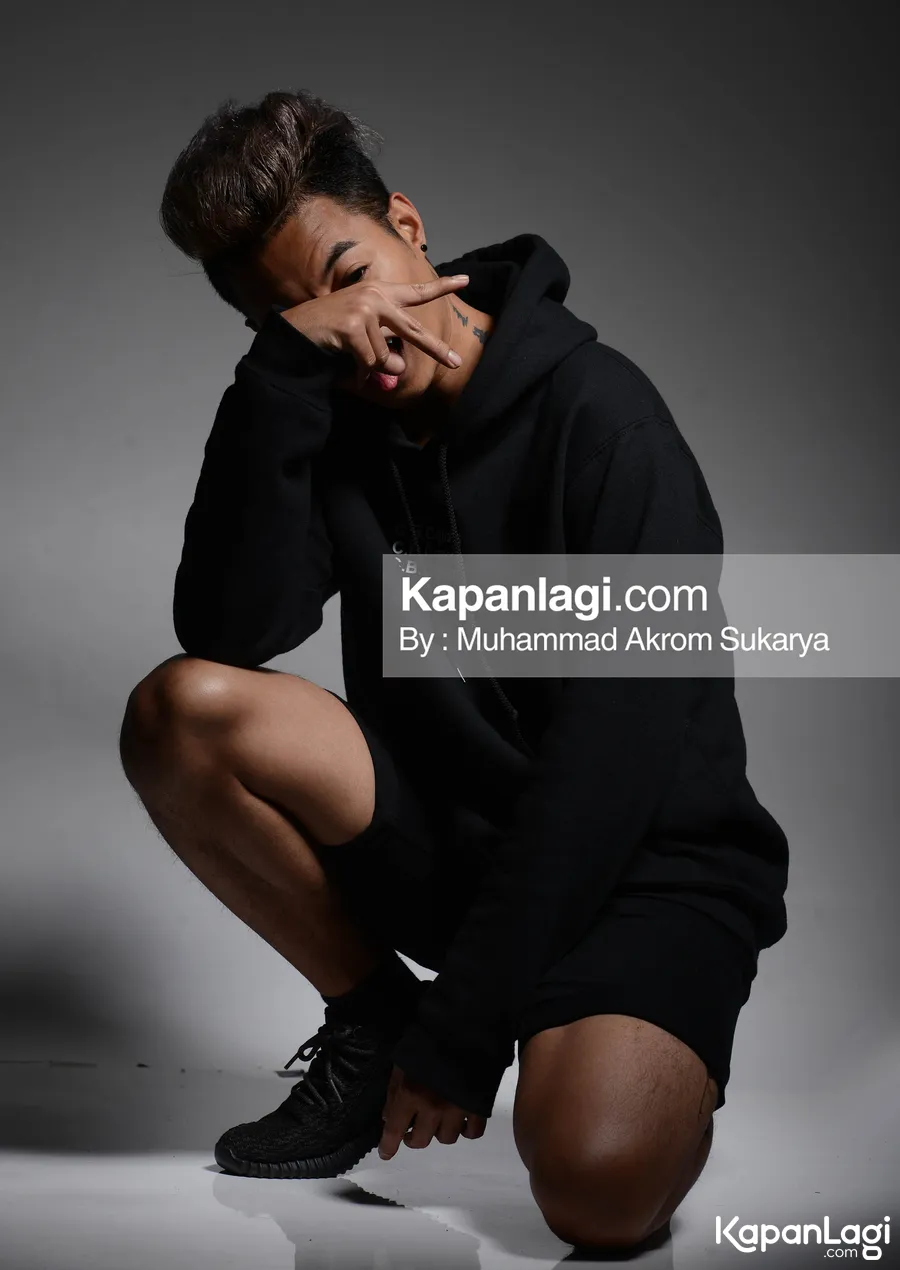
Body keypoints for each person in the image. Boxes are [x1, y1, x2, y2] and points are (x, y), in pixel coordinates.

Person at [118, 88, 789, 1252]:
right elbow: (229, 631)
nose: (355, 332)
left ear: (409, 228)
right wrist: (277, 378)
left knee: (595, 1193)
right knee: (180, 711)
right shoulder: (329, 414)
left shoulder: (604, 420)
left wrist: (469, 1027)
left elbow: (608, 766)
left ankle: (614, 1046)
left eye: (350, 276)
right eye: (298, 320)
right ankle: (373, 1014)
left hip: (643, 869)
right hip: (460, 842)